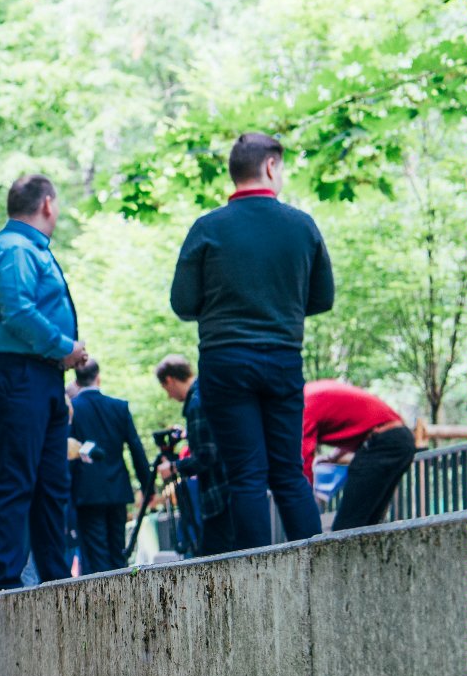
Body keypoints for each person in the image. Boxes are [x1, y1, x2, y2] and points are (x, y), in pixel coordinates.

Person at [170, 133, 334, 548]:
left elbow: (183, 302)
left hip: (225, 361)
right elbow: (322, 298)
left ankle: (257, 582)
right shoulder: (302, 226)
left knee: (244, 474)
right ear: (271, 166)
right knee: (288, 471)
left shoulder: (207, 228)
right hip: (282, 357)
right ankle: (316, 568)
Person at [0, 174, 84, 593]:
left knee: (52, 483)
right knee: (17, 479)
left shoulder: (30, 248)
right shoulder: (15, 248)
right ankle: (5, 582)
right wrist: (64, 347)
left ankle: (55, 577)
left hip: (42, 376)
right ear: (48, 204)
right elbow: (16, 310)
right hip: (16, 372)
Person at [69, 360, 154, 573]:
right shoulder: (119, 407)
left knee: (95, 555)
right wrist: (147, 486)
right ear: (98, 376)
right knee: (118, 552)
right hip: (117, 487)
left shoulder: (73, 411)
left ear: (76, 381)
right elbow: (136, 448)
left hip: (86, 493)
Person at [303, 380, 417, 531]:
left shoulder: (303, 405)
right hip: (399, 438)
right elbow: (354, 418)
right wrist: (333, 457)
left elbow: (302, 459)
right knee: (368, 525)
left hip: (383, 443)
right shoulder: (313, 391)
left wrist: (307, 498)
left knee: (346, 529)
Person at [155, 354, 232, 555]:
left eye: (166, 389)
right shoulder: (207, 391)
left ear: (170, 379)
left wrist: (173, 468)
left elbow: (206, 455)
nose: (169, 395)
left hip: (218, 497)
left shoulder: (195, 403)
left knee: (212, 559)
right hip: (229, 491)